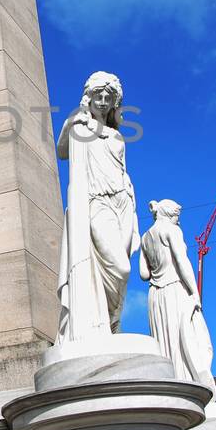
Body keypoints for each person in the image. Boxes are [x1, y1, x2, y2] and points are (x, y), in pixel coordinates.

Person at [56, 72, 140, 339]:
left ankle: (112, 323)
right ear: (88, 98)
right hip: (97, 202)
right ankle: (106, 321)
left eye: (108, 98)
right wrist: (70, 123)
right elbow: (62, 151)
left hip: (122, 202)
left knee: (123, 268)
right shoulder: (80, 127)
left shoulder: (117, 138)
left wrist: (130, 198)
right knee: (120, 267)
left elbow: (123, 171)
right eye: (98, 96)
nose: (103, 101)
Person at [139, 199, 216, 397]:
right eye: (176, 217)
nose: (178, 222)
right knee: (191, 340)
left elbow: (143, 274)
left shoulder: (145, 237)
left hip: (155, 296)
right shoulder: (171, 231)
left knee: (166, 344)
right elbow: (182, 262)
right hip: (175, 289)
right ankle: (191, 388)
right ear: (168, 214)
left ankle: (173, 390)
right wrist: (194, 292)